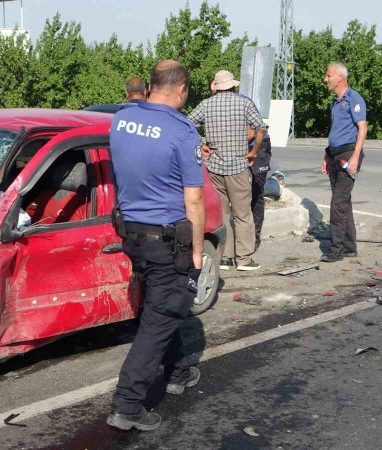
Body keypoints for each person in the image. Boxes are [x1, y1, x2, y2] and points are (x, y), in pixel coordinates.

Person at [107, 60, 205, 432]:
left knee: (166, 305)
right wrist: (197, 251)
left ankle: (178, 372)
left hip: (133, 236)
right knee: (159, 318)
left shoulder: (121, 120)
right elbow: (194, 199)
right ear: (181, 89)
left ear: (150, 87)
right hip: (167, 240)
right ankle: (127, 405)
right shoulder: (182, 130)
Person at [188, 70, 267, 271]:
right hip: (238, 166)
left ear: (217, 86)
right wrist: (254, 152)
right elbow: (260, 128)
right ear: (233, 86)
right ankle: (244, 259)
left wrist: (201, 143)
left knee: (223, 214)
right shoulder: (244, 103)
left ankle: (224, 257)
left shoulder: (206, 104)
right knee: (243, 214)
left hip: (214, 167)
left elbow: (187, 124)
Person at [320, 62, 367, 262]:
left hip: (349, 155)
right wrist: (327, 155)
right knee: (343, 203)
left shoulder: (354, 99)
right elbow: (335, 131)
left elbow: (362, 128)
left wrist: (355, 157)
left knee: (337, 204)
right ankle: (349, 247)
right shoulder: (335, 102)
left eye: (328, 75)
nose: (325, 79)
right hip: (335, 155)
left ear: (340, 77)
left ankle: (336, 250)